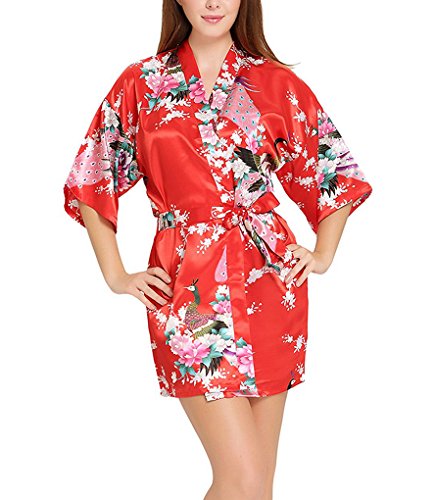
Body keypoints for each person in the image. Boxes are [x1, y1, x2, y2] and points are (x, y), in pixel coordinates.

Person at [63, 0, 373, 498]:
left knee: (257, 486)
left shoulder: (274, 83)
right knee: (240, 476)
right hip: (188, 291)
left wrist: (322, 254)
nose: (213, 2)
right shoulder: (141, 83)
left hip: (270, 284)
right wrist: (116, 275)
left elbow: (333, 172)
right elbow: (92, 177)